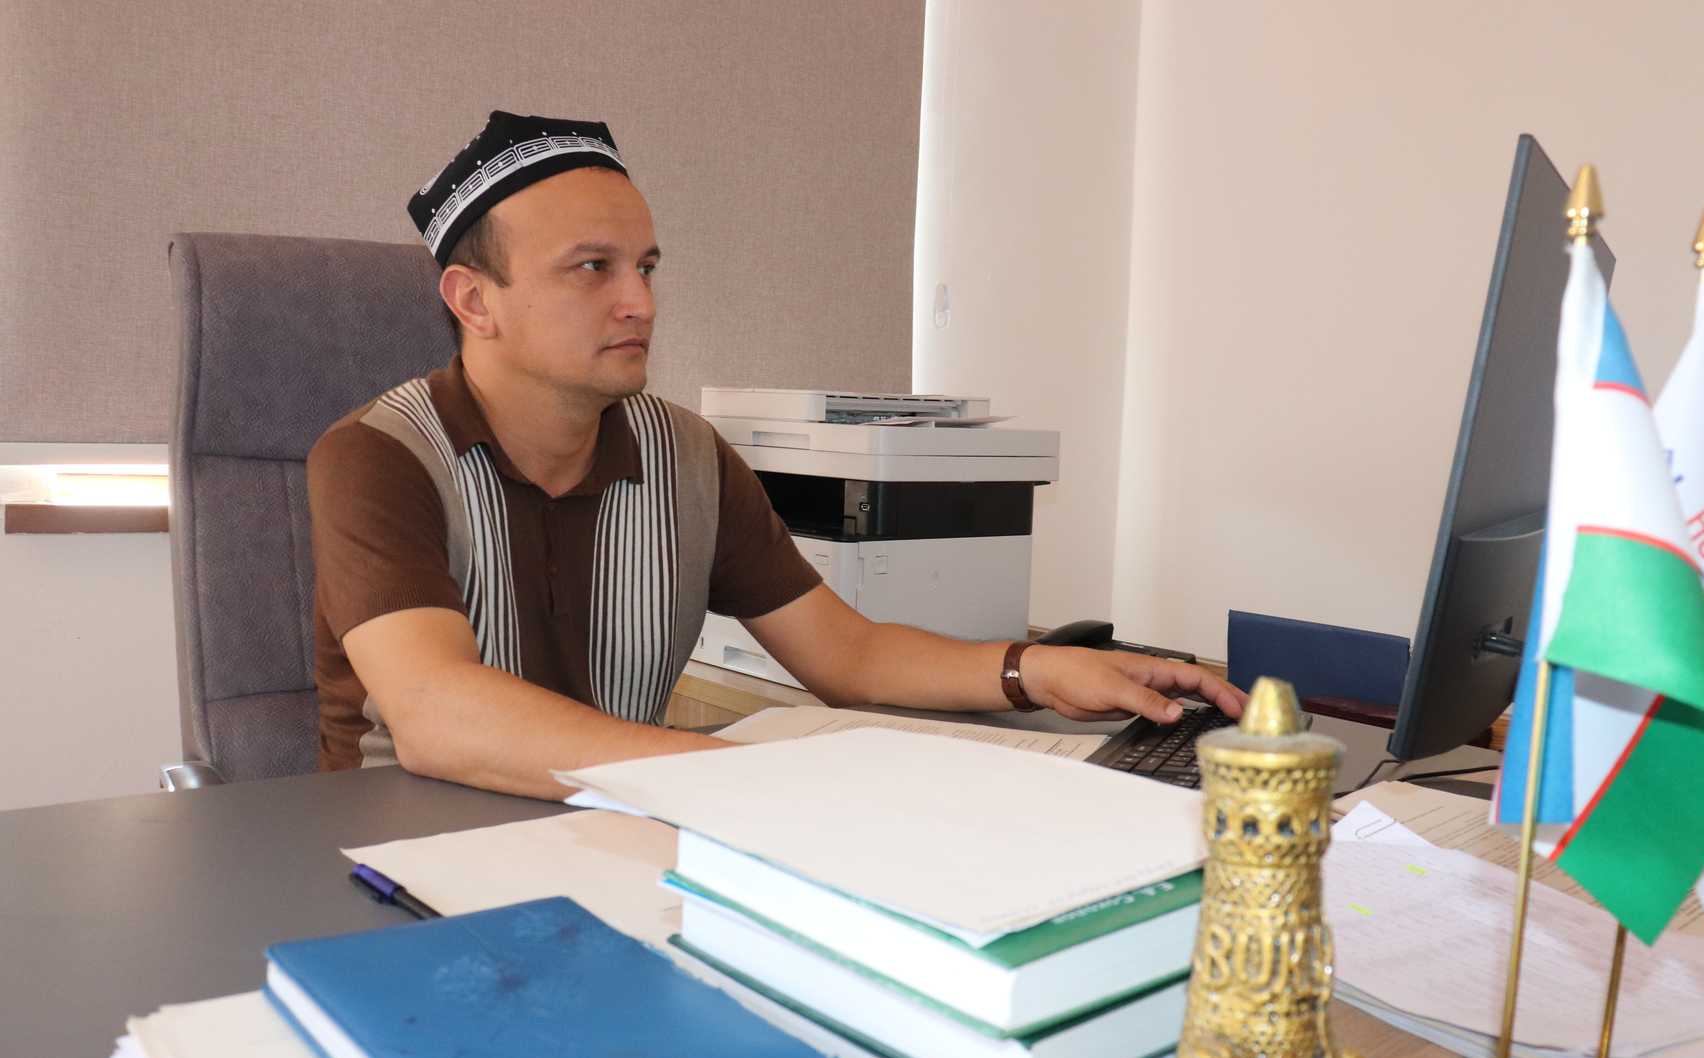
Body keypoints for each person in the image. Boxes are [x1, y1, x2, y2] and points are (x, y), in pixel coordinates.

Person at [307, 110, 1243, 800]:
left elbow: (849, 653)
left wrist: (1034, 670)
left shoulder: (687, 457)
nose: (640, 302)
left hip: (618, 827)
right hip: (394, 852)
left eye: (647, 267)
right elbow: (436, 715)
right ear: (474, 300)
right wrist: (743, 777)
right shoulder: (378, 457)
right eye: (594, 268)